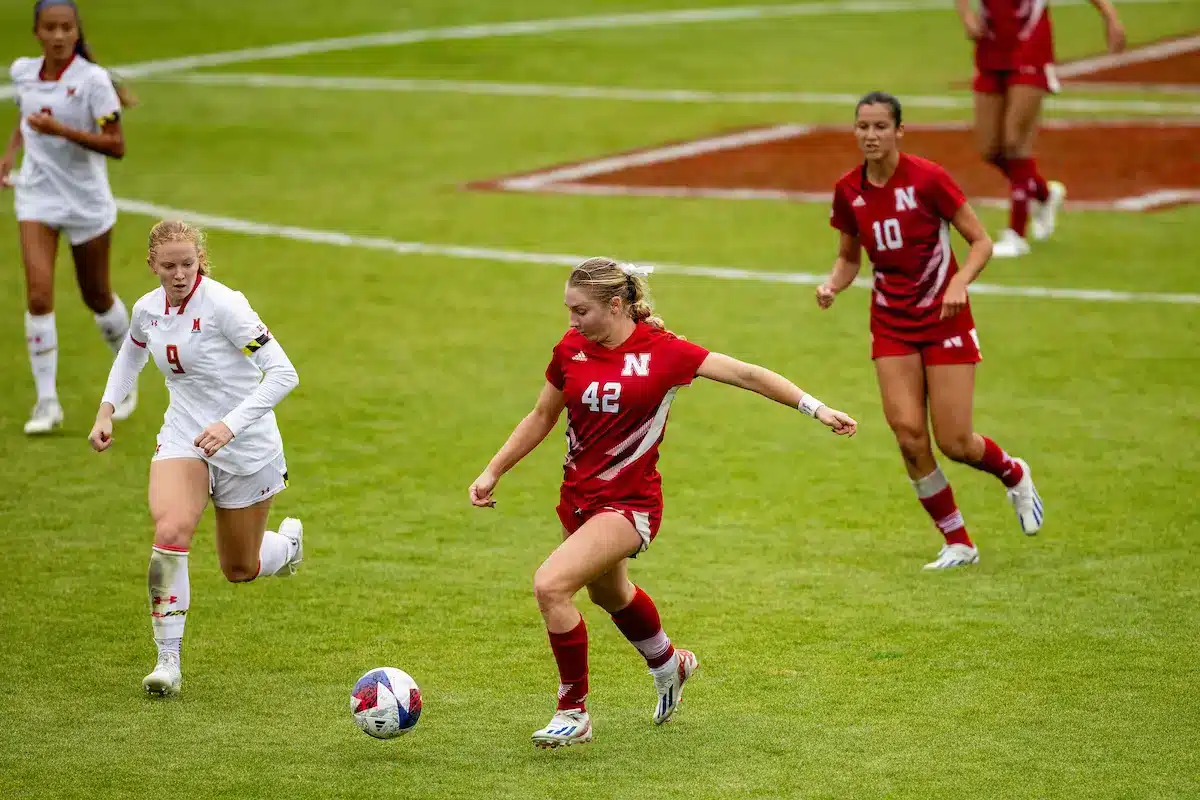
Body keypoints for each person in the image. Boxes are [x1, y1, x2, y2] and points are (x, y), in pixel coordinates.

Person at [469, 257, 858, 748]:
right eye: (568, 311)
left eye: (580, 311)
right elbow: (543, 414)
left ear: (615, 306)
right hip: (578, 499)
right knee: (609, 595)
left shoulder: (663, 352)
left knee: (551, 587)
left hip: (629, 505)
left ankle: (574, 711)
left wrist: (816, 408)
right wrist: (493, 470)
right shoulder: (571, 349)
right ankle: (668, 663)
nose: (572, 322)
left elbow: (747, 375)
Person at [816, 91, 1043, 571]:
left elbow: (980, 241)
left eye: (880, 126)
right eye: (863, 126)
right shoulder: (848, 190)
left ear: (900, 131)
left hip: (945, 321)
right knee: (908, 436)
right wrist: (833, 285)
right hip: (892, 325)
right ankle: (958, 541)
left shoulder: (928, 179)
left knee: (956, 442)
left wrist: (960, 281)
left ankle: (1014, 473)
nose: (871, 135)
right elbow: (849, 257)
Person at [88, 220, 303, 697]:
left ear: (198, 260)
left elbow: (283, 373)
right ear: (153, 266)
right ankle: (168, 663)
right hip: (185, 435)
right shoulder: (147, 310)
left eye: (188, 264)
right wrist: (106, 412)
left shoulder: (227, 307)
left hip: (245, 445)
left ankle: (287, 549)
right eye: (169, 266)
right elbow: (130, 356)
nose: (180, 274)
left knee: (239, 568)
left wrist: (230, 424)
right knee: (169, 533)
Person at [2, 0, 140, 434]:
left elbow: (116, 145)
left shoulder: (93, 82)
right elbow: (26, 118)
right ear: (37, 32)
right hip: (37, 198)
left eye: (66, 28)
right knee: (39, 295)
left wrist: (61, 130)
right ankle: (47, 403)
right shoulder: (23, 71)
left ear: (76, 32)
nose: (59, 36)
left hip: (86, 203)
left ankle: (128, 373)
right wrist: (9, 156)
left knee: (97, 296)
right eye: (50, 28)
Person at [957, 0, 1125, 257]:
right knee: (990, 149)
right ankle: (1044, 195)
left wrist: (1109, 16)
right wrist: (966, 13)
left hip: (1030, 46)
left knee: (1014, 142)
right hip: (990, 46)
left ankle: (1016, 235)